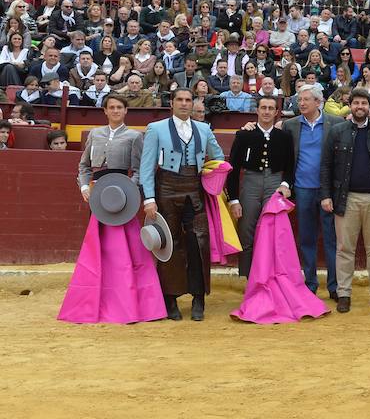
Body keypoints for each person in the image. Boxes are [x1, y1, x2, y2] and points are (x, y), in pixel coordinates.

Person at [59, 93, 166, 323]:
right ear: (105, 111)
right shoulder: (95, 134)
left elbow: (139, 169)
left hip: (122, 197)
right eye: (112, 107)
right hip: (99, 195)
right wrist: (84, 188)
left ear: (126, 111)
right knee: (98, 246)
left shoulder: (135, 136)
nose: (116, 111)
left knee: (122, 249)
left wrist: (130, 191)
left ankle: (124, 297)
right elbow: (84, 165)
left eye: (120, 107)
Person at [140, 88, 225, 322]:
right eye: (180, 100)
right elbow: (146, 167)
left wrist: (214, 181)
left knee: (199, 242)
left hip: (194, 188)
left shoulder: (204, 128)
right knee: (170, 244)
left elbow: (218, 159)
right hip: (166, 187)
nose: (185, 104)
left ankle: (199, 297)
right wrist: (149, 199)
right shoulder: (156, 128)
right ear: (172, 103)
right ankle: (170, 298)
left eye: (189, 100)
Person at [320, 88, 370, 313]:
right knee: (345, 248)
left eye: (364, 103)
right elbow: (326, 165)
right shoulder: (337, 131)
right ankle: (344, 293)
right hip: (346, 197)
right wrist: (326, 195)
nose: (360, 107)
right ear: (350, 105)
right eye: (356, 103)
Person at [282, 85, 343, 300]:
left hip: (327, 191)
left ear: (318, 102)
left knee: (331, 239)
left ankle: (335, 286)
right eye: (300, 99)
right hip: (302, 188)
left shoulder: (336, 124)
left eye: (306, 99)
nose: (302, 103)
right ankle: (310, 283)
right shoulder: (289, 126)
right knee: (306, 238)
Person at [226, 96, 294, 277]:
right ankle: (247, 277)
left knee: (272, 233)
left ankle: (269, 276)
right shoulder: (244, 135)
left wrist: (286, 184)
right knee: (247, 230)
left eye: (270, 108)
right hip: (250, 182)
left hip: (274, 183)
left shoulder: (284, 137)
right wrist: (233, 199)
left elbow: (290, 166)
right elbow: (233, 169)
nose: (266, 111)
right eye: (263, 107)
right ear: (257, 110)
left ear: (276, 112)